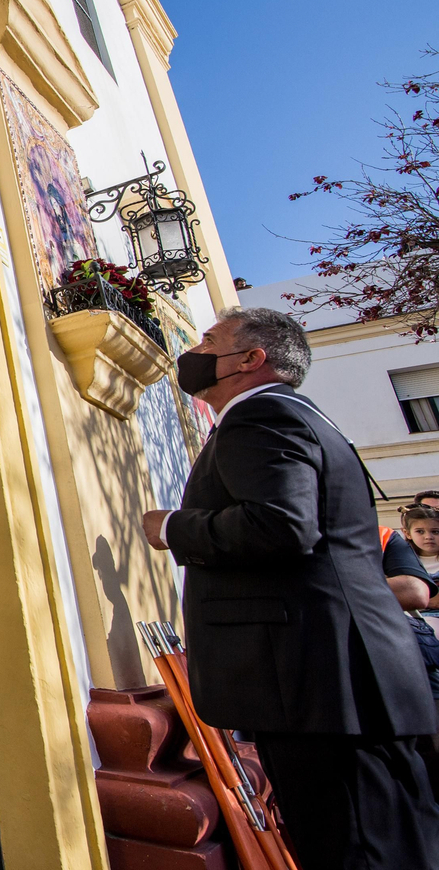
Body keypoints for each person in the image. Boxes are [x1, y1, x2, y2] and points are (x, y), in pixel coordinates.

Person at [140, 307, 439, 868]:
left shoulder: (263, 417)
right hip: (337, 684)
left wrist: (172, 527)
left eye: (210, 340)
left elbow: (281, 524)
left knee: (356, 848)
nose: (196, 349)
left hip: (320, 687)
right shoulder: (299, 417)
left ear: (251, 358)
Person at [404, 503, 439, 579]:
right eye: (420, 531)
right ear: (407, 533)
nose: (428, 537)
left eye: (435, 532)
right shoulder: (400, 561)